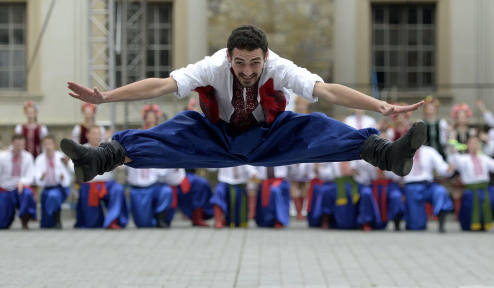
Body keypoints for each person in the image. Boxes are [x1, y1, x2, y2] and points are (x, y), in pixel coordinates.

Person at [61, 25, 426, 184]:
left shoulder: (279, 67)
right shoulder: (212, 65)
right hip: (215, 135)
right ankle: (97, 159)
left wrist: (379, 105)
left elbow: (327, 91)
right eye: (240, 63)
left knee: (314, 125)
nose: (248, 71)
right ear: (229, 57)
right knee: (174, 129)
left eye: (255, 63)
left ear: (265, 57)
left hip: (269, 136)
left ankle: (386, 154)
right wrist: (105, 97)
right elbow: (162, 85)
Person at [75, 126, 129, 229]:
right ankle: (94, 221)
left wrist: (119, 163)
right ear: (87, 135)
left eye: (98, 133)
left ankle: (113, 221)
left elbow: (122, 164)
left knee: (117, 189)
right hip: (90, 186)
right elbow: (71, 165)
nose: (96, 136)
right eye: (94, 133)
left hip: (108, 184)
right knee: (92, 224)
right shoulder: (81, 150)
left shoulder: (108, 148)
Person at [403, 145, 454, 232]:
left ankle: (441, 221)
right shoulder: (401, 151)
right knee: (417, 227)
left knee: (440, 192)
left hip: (427, 186)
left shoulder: (430, 151)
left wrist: (448, 169)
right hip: (411, 187)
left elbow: (442, 168)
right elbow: (394, 171)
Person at [448, 136, 494, 231]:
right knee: (469, 206)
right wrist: (453, 150)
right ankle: (469, 225)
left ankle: (485, 224)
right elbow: (453, 162)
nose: (474, 145)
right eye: (472, 143)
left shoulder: (484, 158)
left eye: (476, 143)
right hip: (471, 189)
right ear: (468, 145)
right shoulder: (464, 159)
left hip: (485, 188)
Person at [35, 135, 73, 229]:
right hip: (46, 188)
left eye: (50, 144)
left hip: (60, 188)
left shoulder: (61, 157)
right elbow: (37, 176)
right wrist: (41, 177)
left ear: (54, 145)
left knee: (54, 195)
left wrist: (66, 165)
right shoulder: (40, 159)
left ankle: (57, 219)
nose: (48, 146)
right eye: (45, 144)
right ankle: (50, 221)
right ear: (42, 145)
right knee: (46, 225)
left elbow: (72, 171)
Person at [0, 134, 37, 230]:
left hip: (20, 188)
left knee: (27, 194)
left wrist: (22, 182)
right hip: (5, 189)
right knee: (2, 224)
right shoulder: (3, 157)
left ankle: (25, 222)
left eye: (21, 145)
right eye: (17, 145)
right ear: (12, 144)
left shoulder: (28, 157)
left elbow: (30, 175)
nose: (19, 148)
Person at [307, 163, 336, 229]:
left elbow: (333, 175)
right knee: (319, 190)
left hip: (334, 182)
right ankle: (322, 218)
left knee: (326, 191)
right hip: (321, 182)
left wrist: (319, 171)